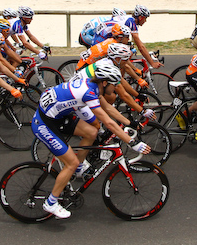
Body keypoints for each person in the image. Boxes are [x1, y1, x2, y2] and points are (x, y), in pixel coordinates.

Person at [31, 63, 150, 219]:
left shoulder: (93, 86)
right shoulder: (88, 92)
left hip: (57, 116)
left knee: (92, 131)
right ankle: (51, 202)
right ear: (105, 82)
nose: (115, 88)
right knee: (70, 163)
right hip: (44, 123)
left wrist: (129, 123)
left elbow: (107, 107)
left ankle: (79, 166)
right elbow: (108, 122)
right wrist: (132, 142)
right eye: (114, 84)